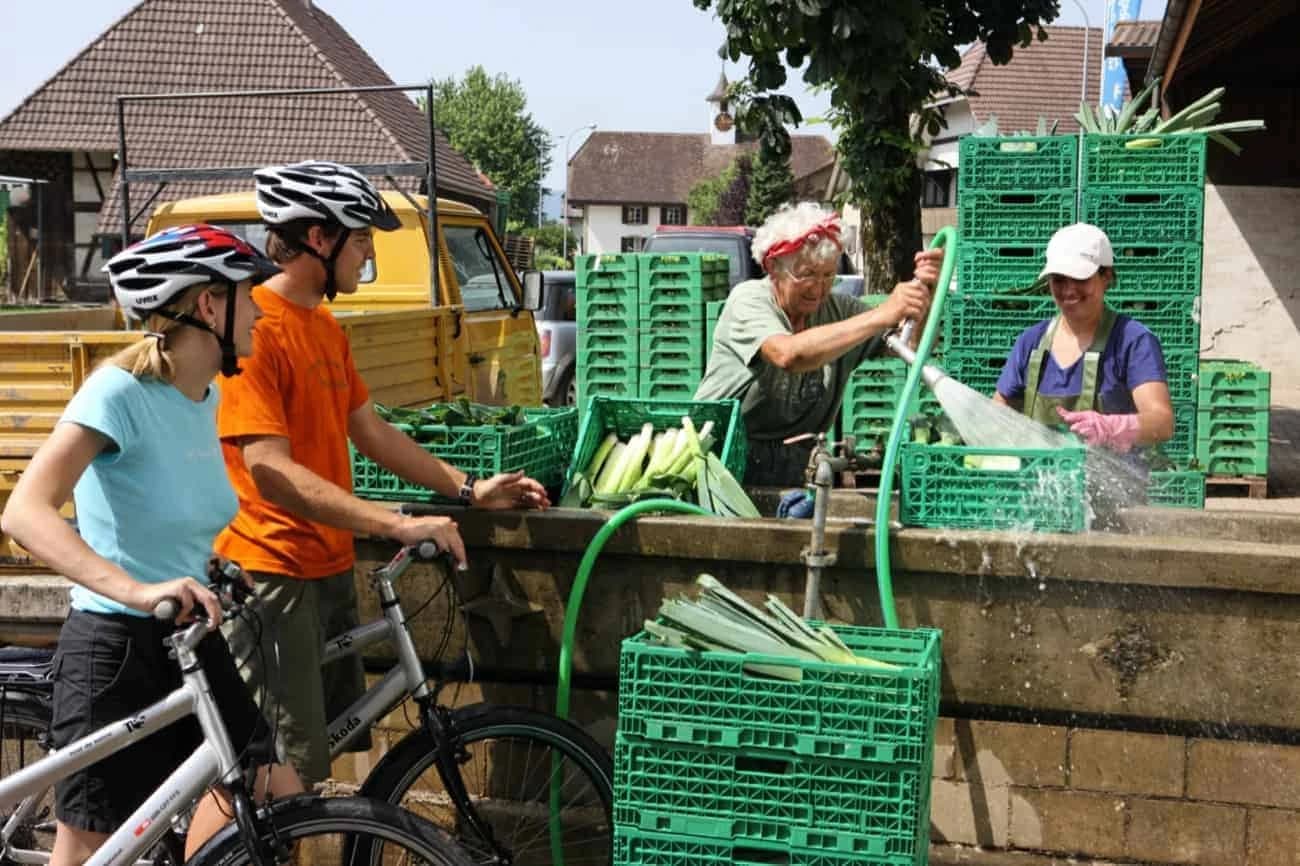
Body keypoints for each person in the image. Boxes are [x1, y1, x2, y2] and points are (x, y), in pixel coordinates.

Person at [215, 160, 549, 787]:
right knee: (270, 778)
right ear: (320, 239)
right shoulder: (256, 330)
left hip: (326, 564)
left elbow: (371, 432)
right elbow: (269, 470)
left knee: (309, 770)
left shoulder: (323, 327)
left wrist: (468, 488)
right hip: (272, 572)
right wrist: (394, 521)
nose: (368, 252)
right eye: (362, 235)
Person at [0, 225, 302, 865]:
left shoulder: (204, 396)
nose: (260, 311)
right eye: (248, 295)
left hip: (191, 639)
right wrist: (139, 588)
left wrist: (210, 565)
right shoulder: (118, 394)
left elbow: (168, 511)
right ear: (209, 306)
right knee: (91, 851)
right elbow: (25, 511)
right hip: (114, 651)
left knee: (271, 790)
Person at [695, 202, 942, 487]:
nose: (819, 288)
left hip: (796, 466)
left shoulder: (839, 309)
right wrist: (881, 314)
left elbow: (914, 346)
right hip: (722, 460)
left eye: (828, 275)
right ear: (773, 267)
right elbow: (788, 354)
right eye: (807, 274)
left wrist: (927, 295)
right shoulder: (748, 300)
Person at [993, 223, 1174, 455]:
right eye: (1058, 279)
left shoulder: (1133, 341)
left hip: (1115, 488)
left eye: (1080, 278)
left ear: (1106, 275)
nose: (1068, 290)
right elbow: (999, 412)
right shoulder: (1030, 343)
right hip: (1042, 487)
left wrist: (1112, 428)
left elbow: (1162, 422)